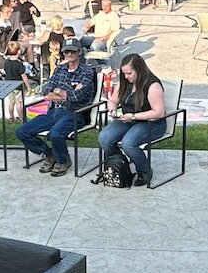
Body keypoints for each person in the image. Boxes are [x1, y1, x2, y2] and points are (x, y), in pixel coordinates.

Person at [16, 43, 96, 177]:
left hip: (74, 113)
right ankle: (49, 154)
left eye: (72, 51)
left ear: (79, 52)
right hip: (53, 111)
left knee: (55, 134)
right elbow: (46, 91)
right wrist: (63, 93)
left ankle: (63, 160)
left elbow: (77, 96)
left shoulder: (87, 71)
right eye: (66, 52)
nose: (69, 54)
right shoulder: (60, 69)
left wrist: (57, 91)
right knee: (21, 131)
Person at [96, 54, 167, 187]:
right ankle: (120, 164)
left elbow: (159, 112)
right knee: (104, 138)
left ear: (139, 70)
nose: (126, 76)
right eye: (124, 73)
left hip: (152, 122)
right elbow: (113, 100)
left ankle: (144, 172)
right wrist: (112, 110)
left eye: (129, 73)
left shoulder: (152, 85)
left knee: (128, 143)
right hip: (128, 120)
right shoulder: (125, 82)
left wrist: (133, 116)